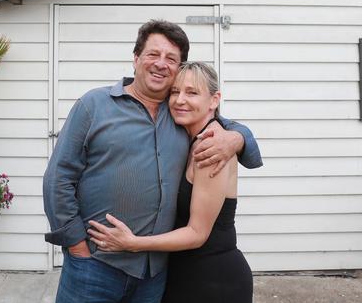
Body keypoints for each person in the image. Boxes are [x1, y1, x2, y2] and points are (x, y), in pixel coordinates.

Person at [43, 20, 262, 302]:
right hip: (96, 266)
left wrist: (237, 138)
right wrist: (77, 247)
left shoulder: (182, 116)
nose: (161, 64)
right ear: (136, 59)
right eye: (152, 54)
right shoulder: (94, 105)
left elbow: (229, 126)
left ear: (178, 69)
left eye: (171, 59)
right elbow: (58, 179)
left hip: (154, 276)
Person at [88, 62, 253, 302]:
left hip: (213, 279)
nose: (180, 100)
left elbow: (197, 233)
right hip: (183, 272)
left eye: (192, 92)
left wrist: (134, 243)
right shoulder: (188, 138)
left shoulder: (212, 148)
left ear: (214, 100)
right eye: (175, 92)